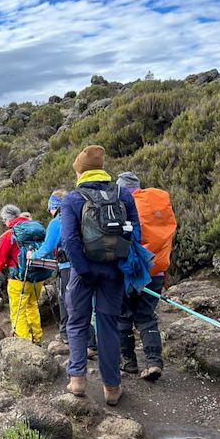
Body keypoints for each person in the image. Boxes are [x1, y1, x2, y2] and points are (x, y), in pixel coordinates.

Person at [61, 145, 140, 406]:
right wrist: (121, 261)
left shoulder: (72, 198)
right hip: (114, 271)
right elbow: (134, 232)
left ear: (80, 172)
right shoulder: (123, 194)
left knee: (77, 322)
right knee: (109, 326)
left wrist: (82, 271)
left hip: (83, 272)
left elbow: (70, 240)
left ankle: (78, 380)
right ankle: (112, 387)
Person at [115, 171, 177, 381]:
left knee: (123, 316)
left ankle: (129, 362)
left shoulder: (123, 205)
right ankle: (153, 362)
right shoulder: (157, 205)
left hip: (130, 272)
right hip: (156, 272)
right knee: (146, 317)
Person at [0, 205, 45, 343]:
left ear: (7, 219)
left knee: (18, 311)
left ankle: (24, 342)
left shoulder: (9, 235)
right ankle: (37, 338)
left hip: (18, 279)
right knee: (32, 306)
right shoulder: (36, 230)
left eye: (3, 220)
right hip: (38, 277)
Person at [29, 190, 69, 342]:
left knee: (66, 300)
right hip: (87, 265)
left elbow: (47, 248)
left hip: (67, 267)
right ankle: (91, 340)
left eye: (50, 207)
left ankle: (67, 334)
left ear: (56, 206)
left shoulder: (57, 221)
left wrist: (33, 255)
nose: (49, 211)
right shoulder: (79, 216)